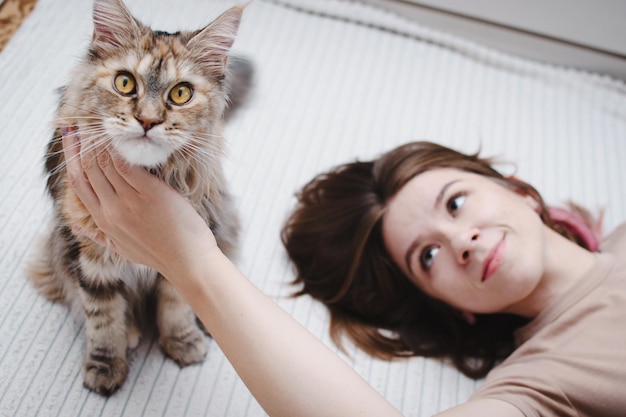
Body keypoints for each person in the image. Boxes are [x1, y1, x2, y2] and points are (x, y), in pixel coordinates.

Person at [62, 130, 626, 417]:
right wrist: (194, 263)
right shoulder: (539, 383)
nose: (460, 242)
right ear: (460, 307)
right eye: (425, 258)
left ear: (521, 193)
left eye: (456, 204)